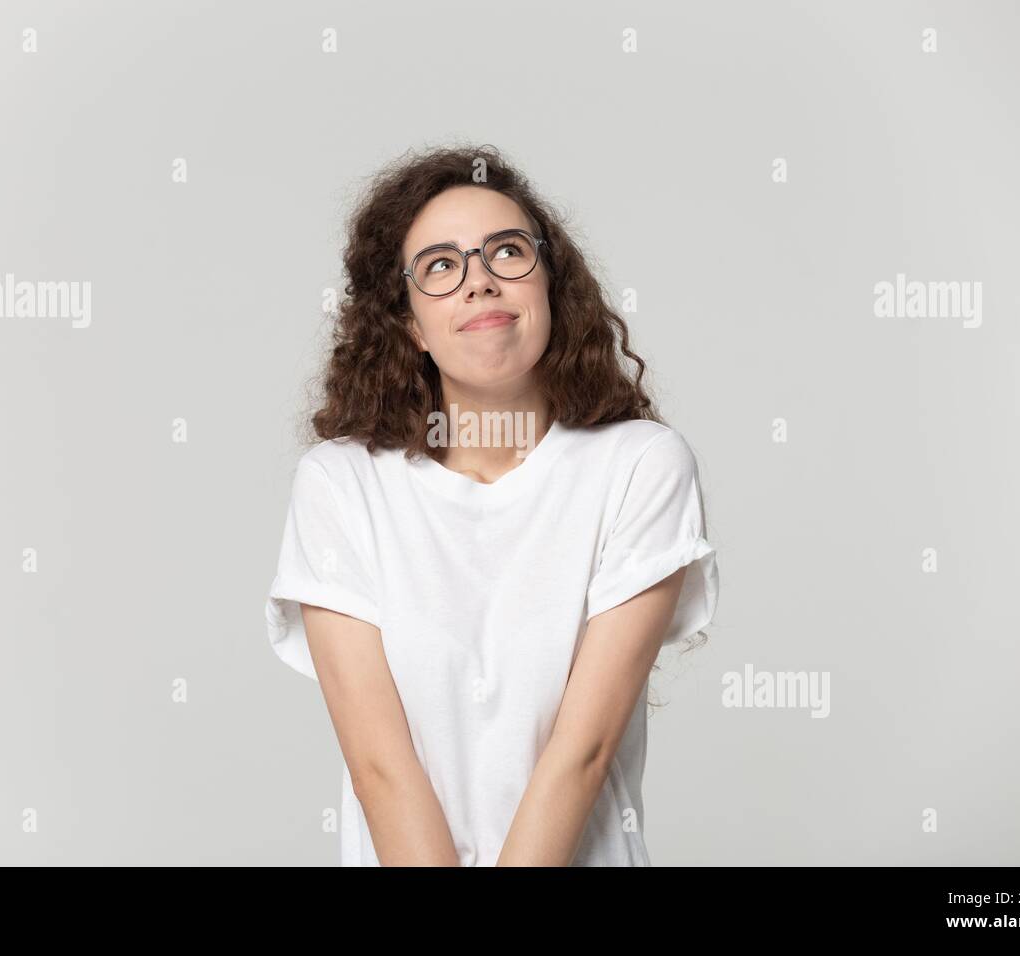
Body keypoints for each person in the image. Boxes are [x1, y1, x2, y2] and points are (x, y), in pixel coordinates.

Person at [266, 144, 719, 866]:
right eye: (442, 266)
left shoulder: (639, 466)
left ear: (549, 290)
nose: (479, 283)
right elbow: (383, 770)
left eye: (506, 253)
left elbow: (584, 751)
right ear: (409, 322)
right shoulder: (340, 484)